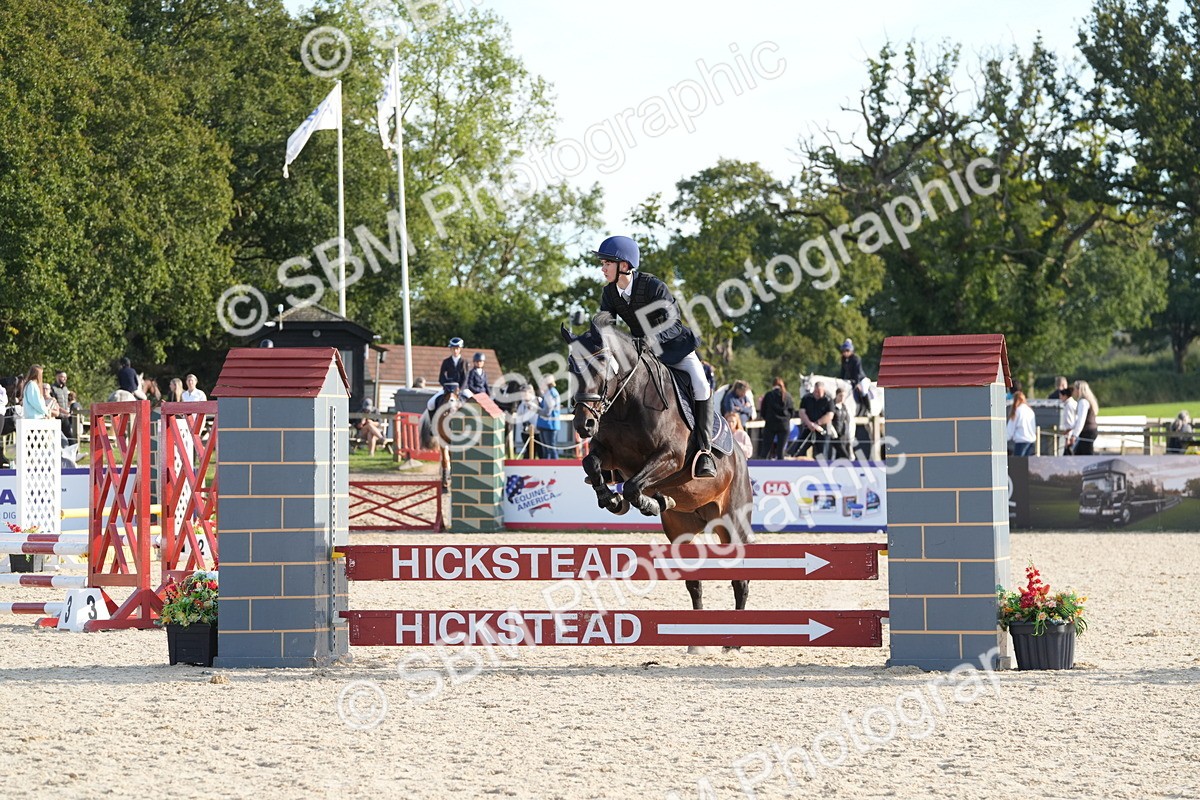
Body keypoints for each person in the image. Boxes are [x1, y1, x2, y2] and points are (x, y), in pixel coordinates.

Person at [594, 234, 717, 477]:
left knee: (702, 385)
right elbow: (605, 326)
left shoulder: (653, 286)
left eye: (607, 262)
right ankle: (618, 454)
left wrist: (651, 340)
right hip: (643, 354)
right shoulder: (610, 293)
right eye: (603, 263)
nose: (603, 267)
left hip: (674, 348)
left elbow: (673, 322)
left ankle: (705, 452)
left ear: (625, 266)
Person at [794, 380, 835, 459]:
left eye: (819, 392)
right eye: (815, 391)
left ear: (823, 390)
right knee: (799, 450)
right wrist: (809, 424)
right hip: (808, 428)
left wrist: (817, 423)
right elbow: (802, 412)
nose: (817, 394)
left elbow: (830, 415)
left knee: (821, 455)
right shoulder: (807, 398)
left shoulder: (828, 400)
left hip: (822, 430)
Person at [757, 377, 794, 460]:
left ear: (773, 385)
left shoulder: (769, 395)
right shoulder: (788, 396)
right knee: (780, 451)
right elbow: (792, 411)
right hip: (784, 425)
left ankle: (761, 467)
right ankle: (781, 469)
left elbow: (763, 410)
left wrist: (767, 418)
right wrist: (786, 419)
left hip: (770, 424)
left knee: (765, 449)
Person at [1067, 380, 1100, 456]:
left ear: (1079, 390)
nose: (1074, 391)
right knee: (1079, 453)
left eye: (1075, 389)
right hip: (1090, 431)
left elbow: (1081, 421)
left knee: (1086, 455)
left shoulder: (1083, 402)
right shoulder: (1086, 401)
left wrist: (1074, 435)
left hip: (1087, 432)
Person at [839, 339, 869, 417]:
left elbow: (857, 372)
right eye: (844, 351)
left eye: (847, 351)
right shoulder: (843, 359)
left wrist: (857, 383)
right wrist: (841, 381)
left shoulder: (856, 359)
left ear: (851, 350)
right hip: (851, 380)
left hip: (861, 379)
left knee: (863, 392)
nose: (845, 353)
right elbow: (843, 372)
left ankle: (868, 409)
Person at [536, 375, 561, 460]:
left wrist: (536, 409)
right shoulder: (549, 392)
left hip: (549, 425)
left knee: (550, 449)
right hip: (547, 424)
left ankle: (555, 469)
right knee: (547, 450)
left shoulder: (550, 393)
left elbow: (547, 412)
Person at [1006, 391, 1037, 456]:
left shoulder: (1017, 411)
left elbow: (1010, 429)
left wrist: (1004, 439)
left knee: (1019, 465)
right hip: (1031, 443)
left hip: (1020, 443)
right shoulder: (1030, 411)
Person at [830, 387, 853, 460]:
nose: (842, 398)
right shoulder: (832, 406)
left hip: (844, 435)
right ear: (836, 395)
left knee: (839, 456)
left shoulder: (844, 407)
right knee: (845, 456)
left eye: (844, 396)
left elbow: (847, 420)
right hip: (835, 436)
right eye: (840, 396)